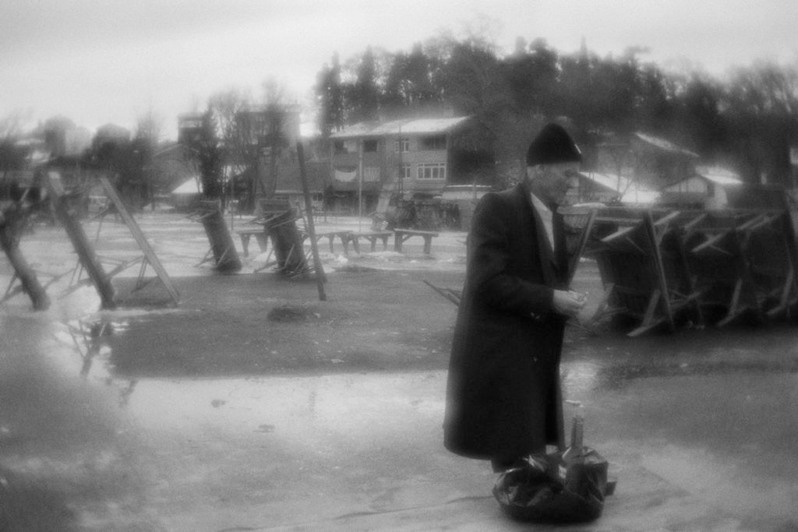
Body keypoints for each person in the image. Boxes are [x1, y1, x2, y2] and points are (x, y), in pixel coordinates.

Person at [443, 123, 587, 473]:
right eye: (567, 174)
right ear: (536, 170)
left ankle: (525, 503)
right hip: (504, 358)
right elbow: (485, 282)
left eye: (576, 176)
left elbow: (546, 279)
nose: (573, 183)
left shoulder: (554, 219)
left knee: (530, 454)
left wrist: (568, 304)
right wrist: (551, 299)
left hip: (536, 358)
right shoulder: (496, 207)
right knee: (513, 455)